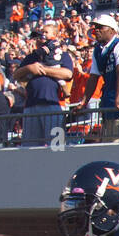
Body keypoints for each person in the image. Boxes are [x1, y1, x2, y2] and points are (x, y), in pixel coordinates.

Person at [78, 14, 119, 138]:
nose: (96, 30)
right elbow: (93, 77)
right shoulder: (98, 50)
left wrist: (118, 99)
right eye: (95, 27)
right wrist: (84, 102)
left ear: (112, 30)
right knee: (110, 139)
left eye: (101, 27)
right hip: (109, 99)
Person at [16, 19, 73, 147]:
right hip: (31, 106)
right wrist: (29, 68)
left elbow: (67, 74)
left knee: (56, 146)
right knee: (30, 147)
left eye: (45, 33)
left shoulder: (62, 55)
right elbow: (16, 75)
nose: (42, 36)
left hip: (52, 104)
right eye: (41, 33)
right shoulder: (31, 57)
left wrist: (42, 70)